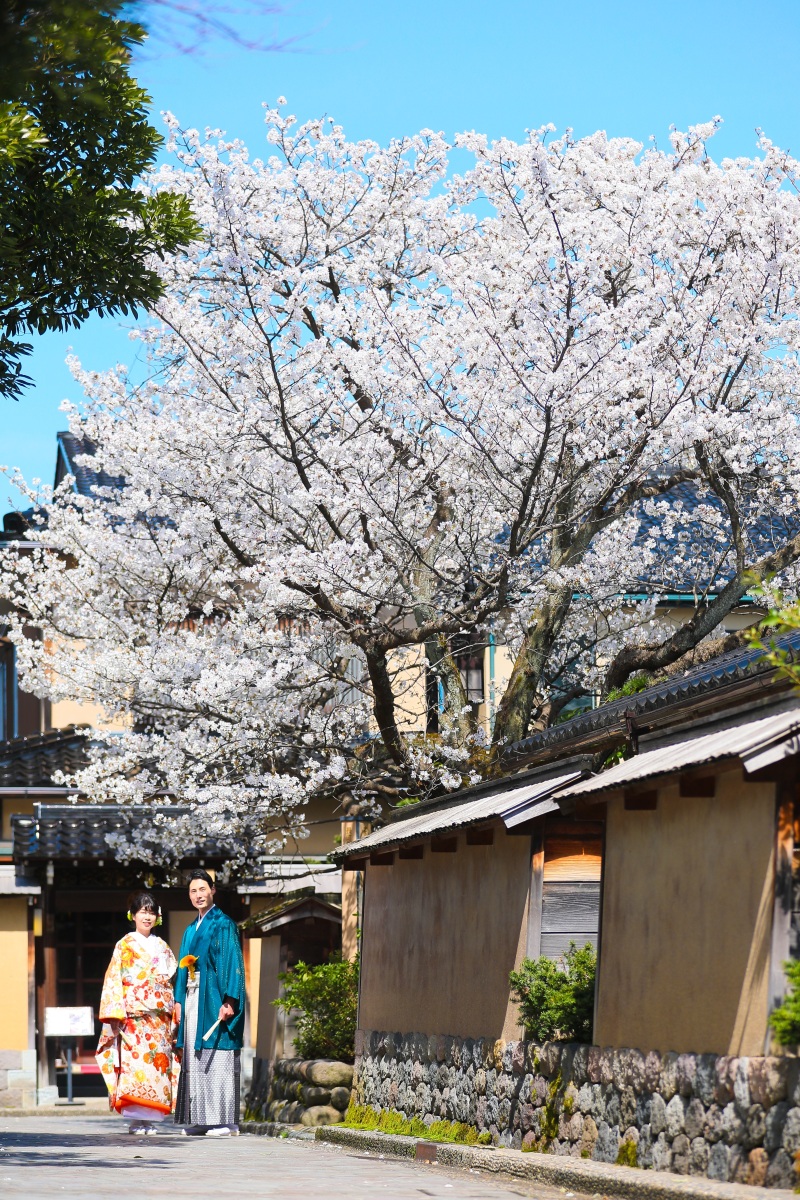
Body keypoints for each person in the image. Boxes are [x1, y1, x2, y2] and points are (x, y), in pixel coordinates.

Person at [96, 890, 178, 1134]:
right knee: (135, 1066)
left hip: (159, 1018)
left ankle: (151, 1119)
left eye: (151, 912)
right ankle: (135, 1118)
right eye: (143, 911)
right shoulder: (124, 945)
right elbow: (113, 979)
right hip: (134, 1017)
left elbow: (169, 978)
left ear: (158, 917)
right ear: (132, 915)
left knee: (157, 1066)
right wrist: (115, 1013)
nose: (147, 917)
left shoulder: (162, 946)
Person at [174, 869, 246, 1137]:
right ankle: (203, 1119)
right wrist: (179, 1000)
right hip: (193, 999)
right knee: (197, 1056)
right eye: (193, 891)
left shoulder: (223, 923)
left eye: (202, 889)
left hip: (214, 995)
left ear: (212, 890)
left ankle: (225, 1121)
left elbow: (232, 963)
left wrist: (229, 1000)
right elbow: (182, 970)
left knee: (218, 1054)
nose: (198, 895)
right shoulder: (190, 929)